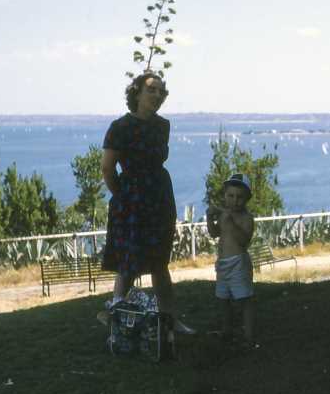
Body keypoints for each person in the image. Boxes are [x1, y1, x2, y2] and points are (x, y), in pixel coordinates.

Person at [100, 71, 194, 334]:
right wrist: (123, 196)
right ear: (137, 93)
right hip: (132, 201)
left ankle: (169, 320)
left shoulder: (163, 126)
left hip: (159, 198)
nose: (157, 94)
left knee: (159, 262)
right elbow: (107, 168)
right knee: (128, 263)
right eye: (151, 89)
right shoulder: (119, 127)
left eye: (161, 91)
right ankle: (117, 320)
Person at [206, 173, 257, 348]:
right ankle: (226, 330)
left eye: (239, 197)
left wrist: (230, 223)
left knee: (245, 301)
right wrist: (210, 218)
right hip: (223, 265)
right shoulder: (224, 215)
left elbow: (243, 240)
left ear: (247, 199)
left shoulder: (246, 218)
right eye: (230, 196)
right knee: (223, 299)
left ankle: (248, 336)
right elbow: (214, 233)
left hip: (239, 264)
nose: (234, 201)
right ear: (225, 195)